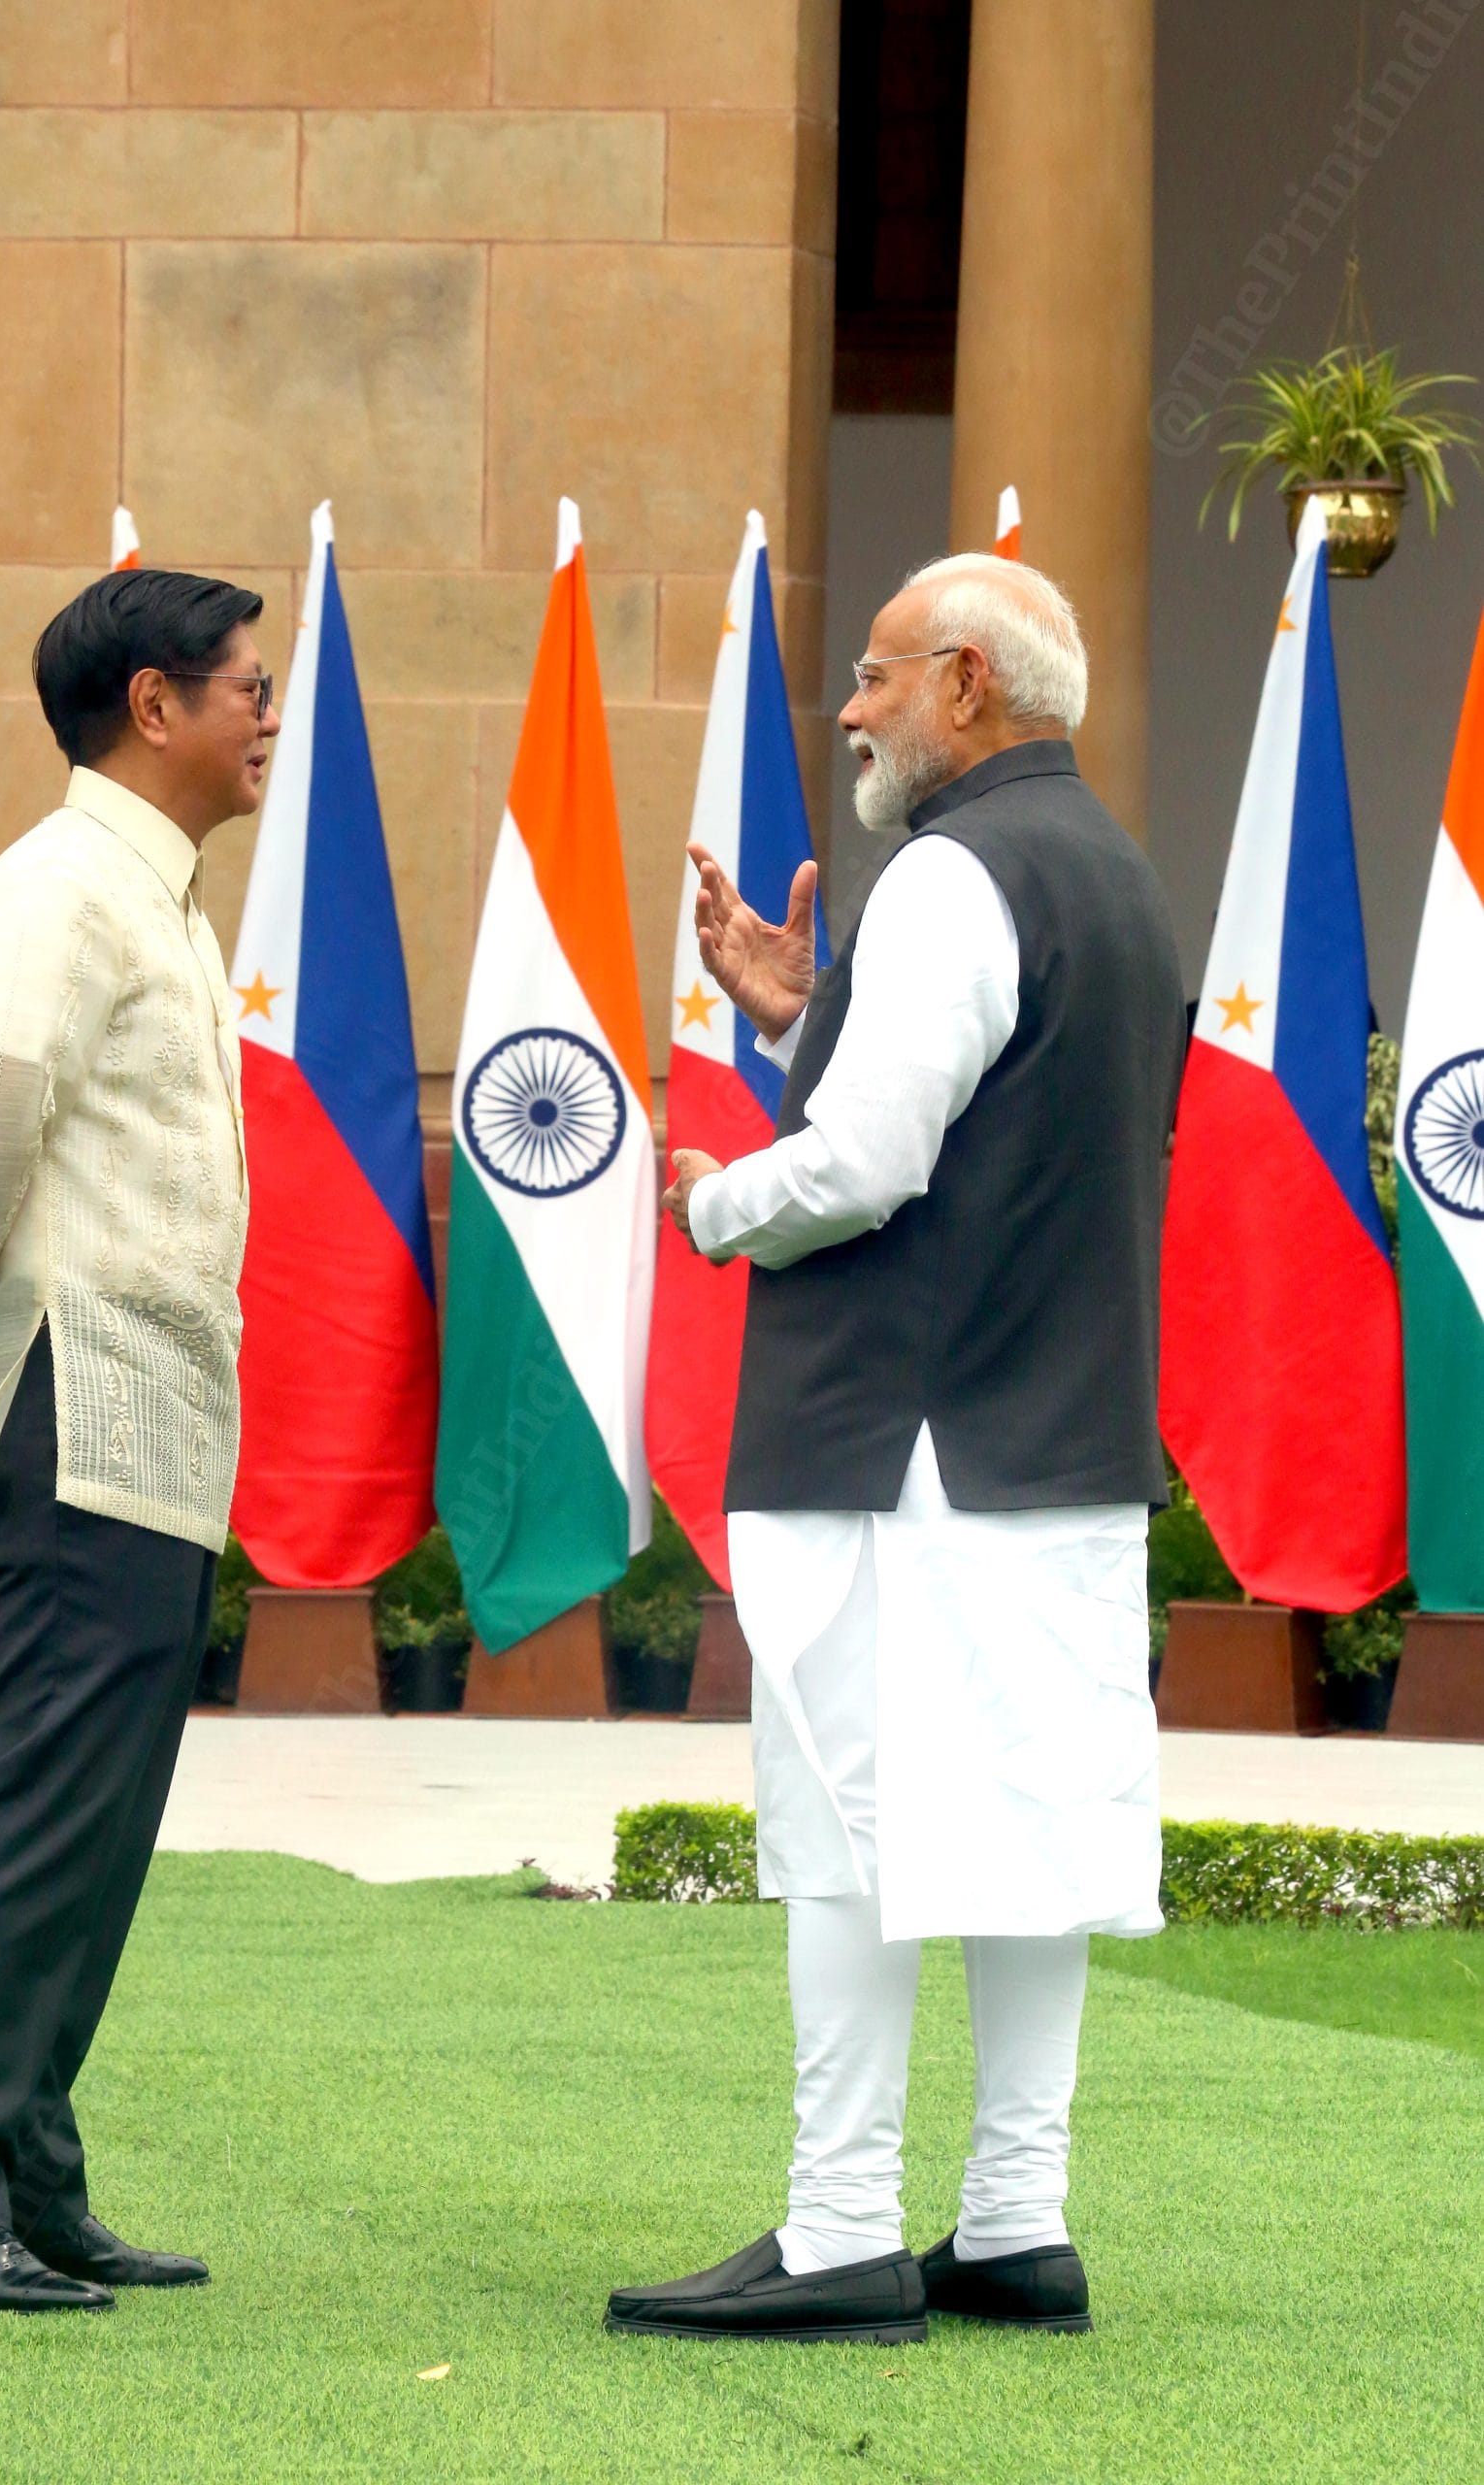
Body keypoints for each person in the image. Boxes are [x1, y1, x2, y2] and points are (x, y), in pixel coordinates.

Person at [607, 554, 1186, 2346]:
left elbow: (867, 1167)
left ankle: (842, 2226)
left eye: (874, 676)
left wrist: (714, 1202)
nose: (850, 710)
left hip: (905, 1442)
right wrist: (810, 1020)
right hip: (1057, 1443)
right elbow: (1003, 1111)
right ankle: (1016, 2221)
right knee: (1034, 1828)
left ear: (965, 684)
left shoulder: (947, 873)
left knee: (851, 1822)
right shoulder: (1114, 871)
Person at [0, 570, 278, 2312]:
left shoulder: (151, 898)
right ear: (153, 705)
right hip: (76, 1402)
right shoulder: (58, 890)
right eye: (247, 687)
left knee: (96, 1817)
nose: (269, 716)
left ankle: (21, 2175)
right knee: (42, 1807)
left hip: (139, 1412)